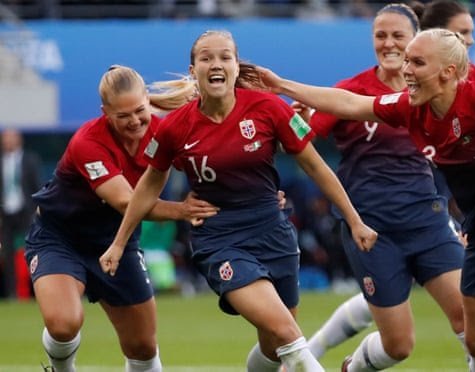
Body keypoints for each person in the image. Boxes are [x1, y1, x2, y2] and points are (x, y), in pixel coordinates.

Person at [256, 28, 475, 371]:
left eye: (416, 63)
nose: (406, 71)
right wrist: (281, 85)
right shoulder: (410, 107)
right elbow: (349, 103)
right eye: (407, 61)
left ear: (448, 72)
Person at [99, 30, 377, 372]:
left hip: (273, 231)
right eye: (206, 58)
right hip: (220, 239)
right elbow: (146, 187)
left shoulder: (268, 108)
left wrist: (354, 219)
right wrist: (118, 242)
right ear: (193, 69)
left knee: (275, 348)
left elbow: (316, 167)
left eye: (224, 57)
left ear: (235, 65)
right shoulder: (173, 128)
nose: (216, 64)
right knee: (287, 333)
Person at [298, 4, 468, 371]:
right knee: (398, 346)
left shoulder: (434, 91)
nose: (389, 44)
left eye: (398, 36)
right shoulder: (350, 92)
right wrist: (295, 121)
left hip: (428, 222)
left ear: (415, 41)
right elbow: (300, 140)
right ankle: (351, 368)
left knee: (473, 319)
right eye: (380, 36)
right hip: (373, 231)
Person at [25, 65, 217, 372]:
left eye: (139, 110)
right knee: (64, 324)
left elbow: (211, 161)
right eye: (122, 116)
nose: (134, 121)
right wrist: (183, 210)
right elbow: (127, 202)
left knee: (142, 346)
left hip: (117, 238)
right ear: (105, 112)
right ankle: (61, 368)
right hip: (60, 238)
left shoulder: (161, 131)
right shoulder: (87, 142)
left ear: (147, 101)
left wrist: (258, 190)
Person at [1, 128, 41, 299]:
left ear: (19, 140)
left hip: (25, 212)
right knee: (7, 253)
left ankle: (34, 291)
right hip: (5, 213)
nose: (8, 141)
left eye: (11, 138)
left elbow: (37, 186)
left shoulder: (30, 160)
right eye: (5, 138)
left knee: (30, 252)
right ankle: (12, 293)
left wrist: (36, 211)